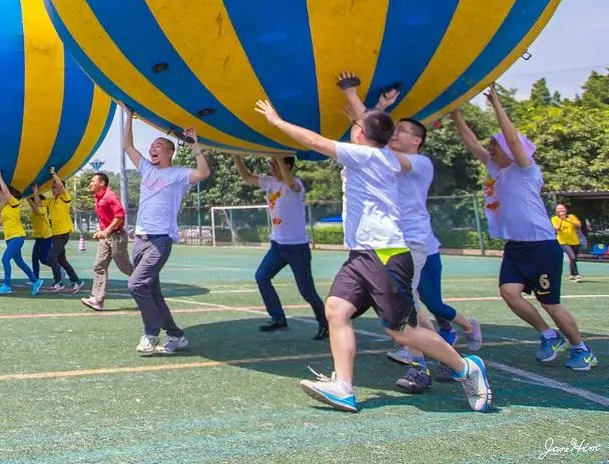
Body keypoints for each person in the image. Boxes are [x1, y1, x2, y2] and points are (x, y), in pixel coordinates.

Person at [255, 77, 492, 413]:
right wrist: (369, 104)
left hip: (385, 255)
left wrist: (277, 122)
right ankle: (343, 387)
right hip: (362, 254)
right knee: (336, 310)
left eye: (355, 126)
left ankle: (466, 367)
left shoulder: (366, 156)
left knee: (402, 333)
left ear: (362, 135)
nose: (352, 128)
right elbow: (372, 125)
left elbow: (318, 142)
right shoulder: (380, 154)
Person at [453, 86, 597, 372]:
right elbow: (472, 144)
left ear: (509, 150)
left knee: (551, 303)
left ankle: (582, 349)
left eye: (495, 145)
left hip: (541, 246)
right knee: (509, 292)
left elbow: (512, 139)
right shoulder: (498, 171)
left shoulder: (526, 169)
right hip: (516, 247)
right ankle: (548, 336)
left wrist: (496, 104)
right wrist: (455, 113)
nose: (490, 148)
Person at [120, 105, 210, 356]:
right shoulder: (147, 169)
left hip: (160, 240)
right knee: (152, 292)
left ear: (170, 151)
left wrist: (195, 146)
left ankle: (150, 334)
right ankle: (176, 336)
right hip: (139, 239)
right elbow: (128, 146)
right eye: (152, 147)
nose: (152, 149)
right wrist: (129, 117)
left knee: (136, 285)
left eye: (158, 145)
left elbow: (203, 172)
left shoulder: (179, 174)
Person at [233, 155, 328, 341]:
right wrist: (236, 156)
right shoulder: (269, 182)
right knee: (261, 277)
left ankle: (325, 324)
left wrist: (278, 155)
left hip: (297, 248)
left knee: (307, 291)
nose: (271, 166)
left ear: (286, 166)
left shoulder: (295, 186)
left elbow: (291, 183)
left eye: (275, 164)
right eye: (271, 163)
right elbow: (246, 176)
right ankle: (278, 319)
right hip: (277, 245)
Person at [80, 172, 133, 311]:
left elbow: (120, 216)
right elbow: (105, 218)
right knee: (99, 265)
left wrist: (106, 231)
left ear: (102, 183)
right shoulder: (97, 197)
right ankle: (97, 300)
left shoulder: (110, 196)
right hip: (106, 238)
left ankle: (147, 284)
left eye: (93, 181)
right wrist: (101, 231)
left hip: (117, 236)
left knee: (125, 267)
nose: (90, 184)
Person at [0, 172, 43, 295]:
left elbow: (5, 191)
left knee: (5, 259)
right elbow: (0, 195)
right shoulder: (5, 207)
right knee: (19, 262)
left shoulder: (14, 203)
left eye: (2, 193)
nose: (0, 193)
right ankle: (35, 281)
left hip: (17, 237)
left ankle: (7, 285)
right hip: (10, 238)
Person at [45, 171, 82, 293]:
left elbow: (60, 186)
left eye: (54, 187)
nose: (53, 189)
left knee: (50, 258)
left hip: (63, 233)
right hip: (56, 234)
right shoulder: (51, 201)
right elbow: (38, 202)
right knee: (62, 260)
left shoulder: (64, 198)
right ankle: (76, 281)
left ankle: (58, 282)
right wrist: (32, 191)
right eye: (52, 187)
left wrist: (53, 174)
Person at [552, 203, 583, 283]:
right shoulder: (554, 219)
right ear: (556, 211)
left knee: (573, 259)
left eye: (562, 208)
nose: (561, 210)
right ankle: (577, 275)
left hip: (574, 241)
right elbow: (556, 228)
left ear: (566, 210)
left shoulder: (571, 217)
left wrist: (567, 220)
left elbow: (578, 225)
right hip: (563, 242)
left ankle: (571, 275)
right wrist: (562, 220)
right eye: (559, 209)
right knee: (572, 257)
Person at [29, 187, 53, 282]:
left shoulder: (42, 207)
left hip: (45, 236)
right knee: (34, 258)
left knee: (43, 259)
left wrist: (28, 198)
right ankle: (35, 279)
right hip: (38, 237)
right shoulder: (34, 207)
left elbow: (37, 211)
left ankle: (58, 267)